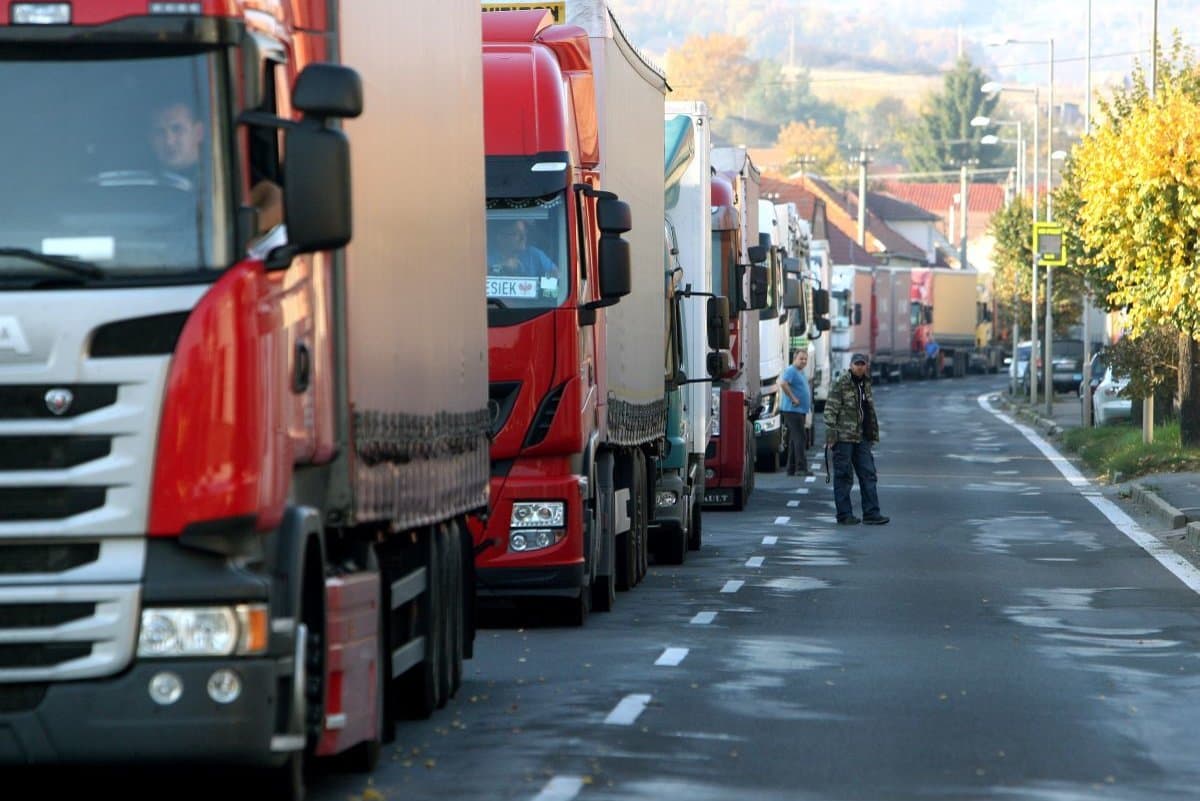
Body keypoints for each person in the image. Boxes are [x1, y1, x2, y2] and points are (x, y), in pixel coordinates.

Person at [148, 100, 282, 234]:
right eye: (159, 132)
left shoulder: (223, 170)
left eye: (177, 129)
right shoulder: (142, 176)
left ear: (198, 132)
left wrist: (237, 232)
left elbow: (277, 203)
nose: (169, 141)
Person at [823, 353, 888, 526]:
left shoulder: (866, 383)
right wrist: (831, 435)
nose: (860, 367)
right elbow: (830, 410)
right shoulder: (841, 383)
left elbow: (868, 410)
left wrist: (872, 434)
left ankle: (871, 513)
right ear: (851, 365)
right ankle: (844, 515)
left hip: (862, 437)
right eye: (857, 364)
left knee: (868, 474)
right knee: (844, 476)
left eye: (862, 364)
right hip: (844, 437)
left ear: (866, 366)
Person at [778, 348, 812, 476]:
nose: (803, 361)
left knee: (794, 439)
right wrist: (793, 398)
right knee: (800, 438)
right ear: (794, 359)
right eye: (801, 358)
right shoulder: (791, 370)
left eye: (805, 359)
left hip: (799, 410)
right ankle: (801, 468)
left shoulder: (800, 371)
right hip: (793, 410)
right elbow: (783, 383)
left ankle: (791, 468)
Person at [487, 219, 557, 277]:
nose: (523, 238)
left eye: (524, 233)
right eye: (517, 233)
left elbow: (556, 274)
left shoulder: (534, 254)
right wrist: (502, 267)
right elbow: (481, 274)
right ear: (501, 237)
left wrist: (543, 284)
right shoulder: (487, 256)